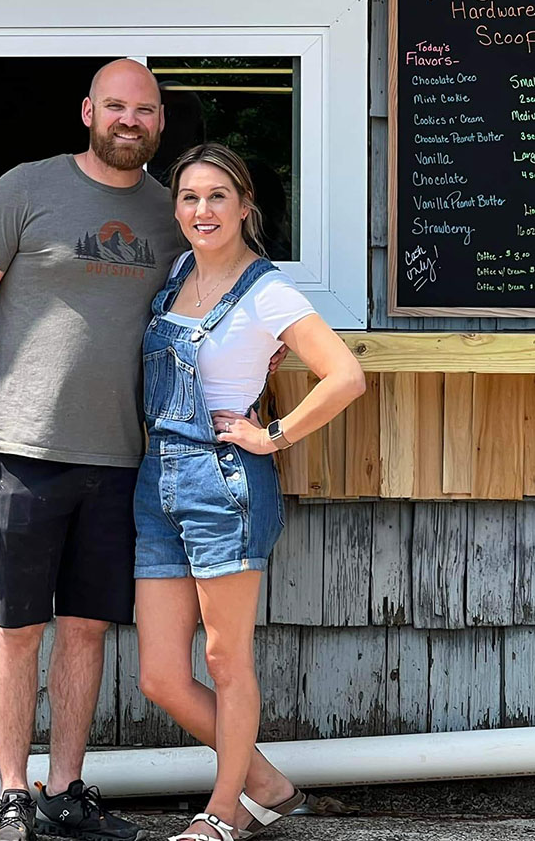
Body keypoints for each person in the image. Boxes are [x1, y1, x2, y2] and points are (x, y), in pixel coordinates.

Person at [0, 59, 187, 841]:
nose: (128, 120)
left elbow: (214, 299)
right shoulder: (25, 189)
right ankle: (10, 792)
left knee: (86, 628)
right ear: (87, 112)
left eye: (143, 110)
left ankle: (65, 792)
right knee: (18, 626)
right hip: (22, 445)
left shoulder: (175, 213)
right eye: (115, 106)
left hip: (120, 455)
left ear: (160, 122)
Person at [133, 143, 367, 841]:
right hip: (158, 480)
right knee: (161, 677)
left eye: (216, 197)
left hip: (224, 483)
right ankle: (266, 783)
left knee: (225, 660)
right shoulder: (176, 272)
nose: (201, 210)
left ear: (244, 207)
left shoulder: (269, 292)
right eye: (188, 197)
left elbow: (344, 377)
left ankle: (224, 813)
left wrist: (275, 434)